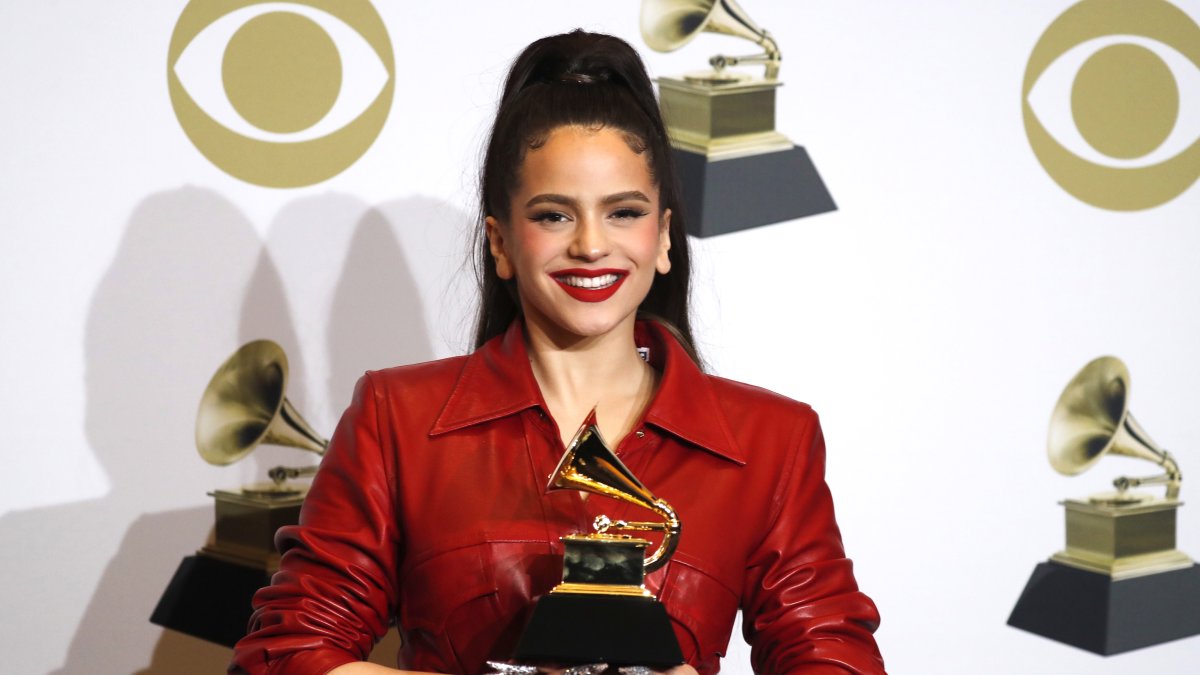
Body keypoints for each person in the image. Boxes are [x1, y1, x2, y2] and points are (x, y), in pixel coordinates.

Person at [230, 30, 884, 675]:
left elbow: (839, 662)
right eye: (554, 215)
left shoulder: (770, 439)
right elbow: (283, 655)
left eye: (624, 212)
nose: (592, 245)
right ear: (502, 242)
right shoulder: (396, 418)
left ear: (663, 239)